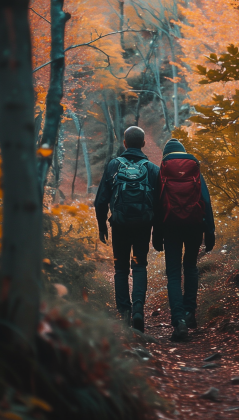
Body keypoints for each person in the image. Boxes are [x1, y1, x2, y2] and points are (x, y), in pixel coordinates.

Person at [94, 126, 160, 333]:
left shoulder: (114, 165)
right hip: (143, 225)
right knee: (139, 265)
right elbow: (160, 203)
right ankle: (138, 309)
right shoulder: (152, 168)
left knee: (121, 268)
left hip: (120, 225)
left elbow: (100, 201)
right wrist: (157, 230)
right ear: (143, 144)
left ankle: (124, 312)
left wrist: (102, 225)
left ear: (124, 143)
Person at [153, 139, 215, 341]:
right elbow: (205, 199)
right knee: (190, 268)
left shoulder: (162, 171)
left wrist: (156, 234)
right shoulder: (194, 170)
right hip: (194, 226)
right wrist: (210, 231)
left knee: (173, 274)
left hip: (170, 227)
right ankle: (190, 314)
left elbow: (157, 203)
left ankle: (178, 320)